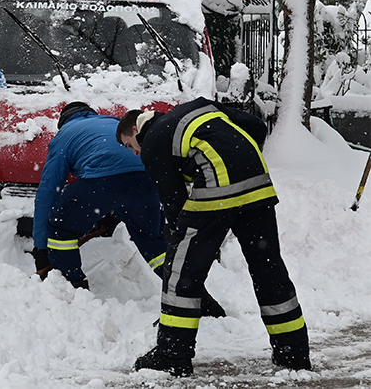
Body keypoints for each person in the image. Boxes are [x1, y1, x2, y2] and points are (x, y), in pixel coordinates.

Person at [116, 97, 311, 376]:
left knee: (180, 272)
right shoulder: (198, 107)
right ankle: (293, 352)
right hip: (257, 183)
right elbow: (255, 125)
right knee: (268, 268)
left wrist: (178, 235)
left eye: (128, 145)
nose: (134, 153)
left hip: (216, 188)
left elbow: (173, 200)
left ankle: (172, 353)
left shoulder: (154, 142)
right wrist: (242, 161)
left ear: (136, 129)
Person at [32, 101, 226, 320]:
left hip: (101, 182)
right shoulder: (113, 123)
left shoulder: (64, 135)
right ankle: (198, 298)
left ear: (63, 121)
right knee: (154, 244)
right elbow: (128, 166)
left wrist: (40, 246)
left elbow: (49, 190)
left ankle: (72, 292)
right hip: (145, 181)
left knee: (60, 228)